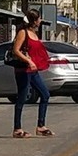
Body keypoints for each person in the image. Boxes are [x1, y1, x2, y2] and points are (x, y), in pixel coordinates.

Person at [10, 9, 53, 138]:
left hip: (33, 71)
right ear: (34, 20)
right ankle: (17, 128)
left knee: (45, 94)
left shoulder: (34, 33)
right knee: (22, 98)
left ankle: (41, 125)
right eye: (39, 18)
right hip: (23, 70)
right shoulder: (23, 33)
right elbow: (16, 50)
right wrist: (28, 60)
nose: (40, 21)